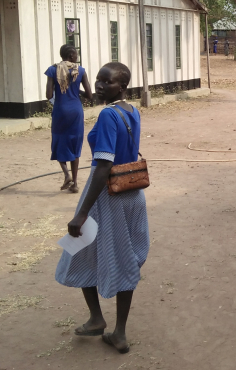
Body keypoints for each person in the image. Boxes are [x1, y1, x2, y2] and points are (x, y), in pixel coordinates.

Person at [56, 62, 148, 355]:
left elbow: (104, 164)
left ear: (121, 86)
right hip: (132, 193)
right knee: (124, 258)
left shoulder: (109, 114)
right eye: (97, 80)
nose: (97, 85)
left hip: (107, 197)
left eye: (106, 82)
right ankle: (107, 325)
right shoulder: (132, 111)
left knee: (82, 250)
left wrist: (82, 212)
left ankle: (111, 326)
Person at [45, 44, 93, 193]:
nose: (77, 56)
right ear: (71, 55)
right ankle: (75, 183)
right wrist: (75, 88)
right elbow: (90, 95)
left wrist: (60, 88)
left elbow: (48, 95)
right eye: (76, 54)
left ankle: (66, 174)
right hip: (76, 111)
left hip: (61, 111)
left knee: (59, 142)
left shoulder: (53, 70)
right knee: (74, 144)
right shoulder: (80, 71)